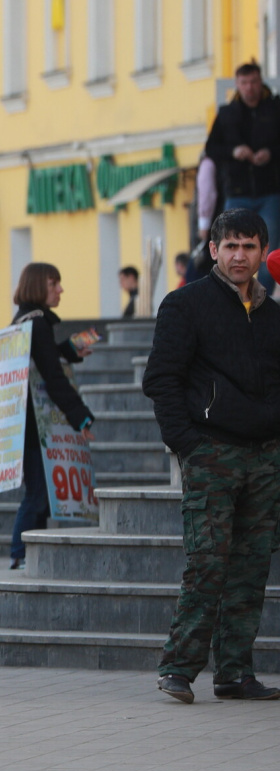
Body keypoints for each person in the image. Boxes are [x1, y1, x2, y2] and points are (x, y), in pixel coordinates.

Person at [144, 207, 280, 703]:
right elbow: (161, 379)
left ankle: (235, 674)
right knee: (207, 563)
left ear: (262, 252)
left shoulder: (274, 315)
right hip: (211, 452)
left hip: (265, 457)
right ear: (214, 250)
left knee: (251, 568)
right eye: (231, 246)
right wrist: (187, 444)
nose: (240, 255)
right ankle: (178, 669)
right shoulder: (186, 304)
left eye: (249, 246)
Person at [8, 263, 95, 571]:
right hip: (35, 423)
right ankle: (21, 553)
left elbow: (42, 356)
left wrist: (68, 350)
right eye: (53, 284)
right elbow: (53, 377)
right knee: (37, 493)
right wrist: (80, 417)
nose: (60, 290)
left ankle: (31, 554)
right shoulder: (37, 323)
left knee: (40, 491)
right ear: (37, 287)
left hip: (23, 420)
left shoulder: (24, 320)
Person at [205, 61, 280, 295]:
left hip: (270, 190)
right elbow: (211, 148)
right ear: (237, 84)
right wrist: (234, 151)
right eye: (244, 83)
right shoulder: (227, 113)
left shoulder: (274, 109)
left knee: (268, 250)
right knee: (232, 247)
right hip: (237, 191)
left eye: (253, 82)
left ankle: (262, 298)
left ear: (261, 82)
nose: (249, 87)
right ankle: (234, 296)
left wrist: (270, 153)